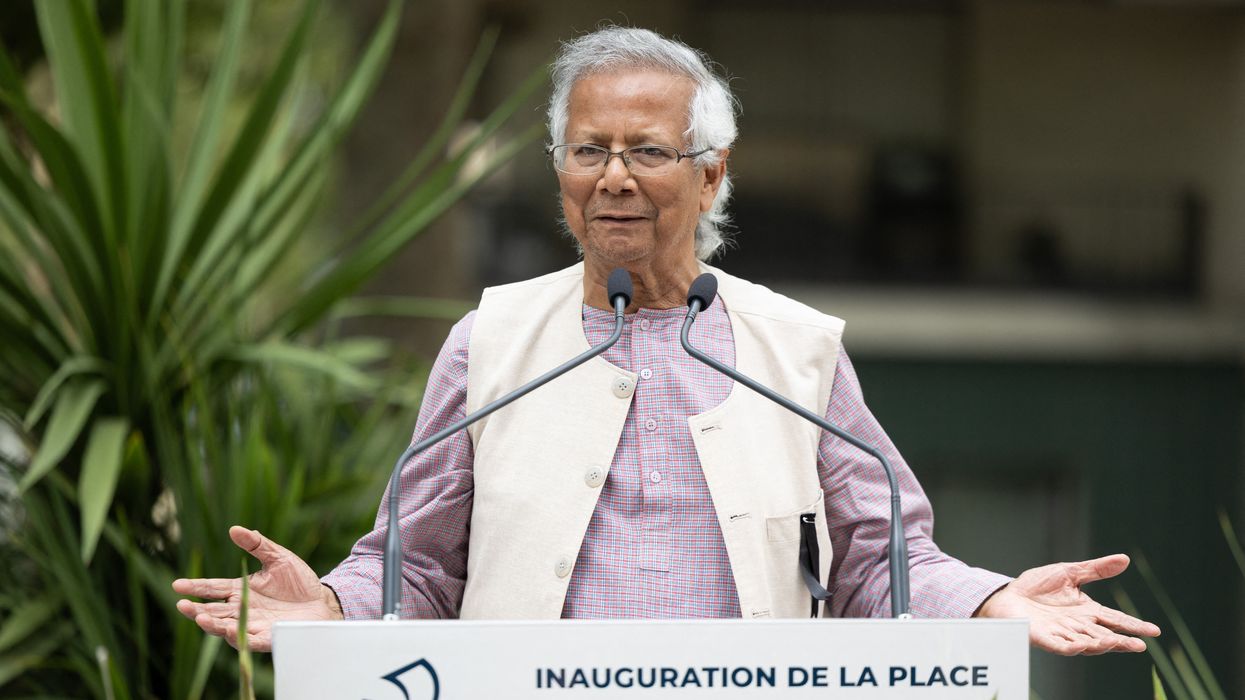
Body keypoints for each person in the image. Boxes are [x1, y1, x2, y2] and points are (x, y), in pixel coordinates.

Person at [173, 26, 1159, 656]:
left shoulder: (795, 351)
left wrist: (992, 602)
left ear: (712, 176)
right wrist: (333, 611)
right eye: (587, 150)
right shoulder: (493, 342)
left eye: (648, 151)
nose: (613, 177)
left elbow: (882, 558)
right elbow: (418, 567)